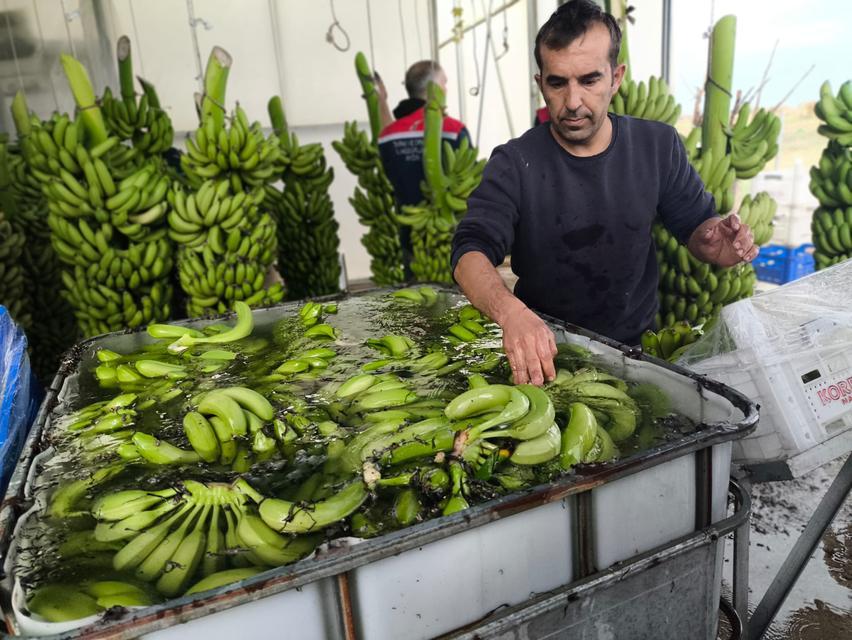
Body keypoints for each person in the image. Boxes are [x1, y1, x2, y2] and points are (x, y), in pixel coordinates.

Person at [451, 0, 758, 387]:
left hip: (637, 352)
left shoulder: (657, 146)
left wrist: (715, 244)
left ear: (616, 77)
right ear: (540, 82)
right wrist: (510, 313)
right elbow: (469, 252)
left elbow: (697, 225)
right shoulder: (515, 163)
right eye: (557, 82)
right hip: (546, 354)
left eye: (590, 80)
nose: (573, 102)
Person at [377, 61, 471, 279]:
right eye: (445, 83)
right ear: (436, 87)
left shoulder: (388, 135)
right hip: (450, 234)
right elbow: (468, 179)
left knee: (417, 299)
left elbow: (389, 177)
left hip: (410, 232)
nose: (446, 88)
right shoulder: (454, 130)